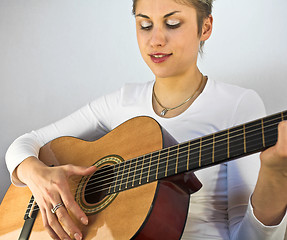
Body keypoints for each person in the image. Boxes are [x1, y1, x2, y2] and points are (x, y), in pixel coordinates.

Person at [5, 0, 287, 239]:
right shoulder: (122, 100)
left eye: (173, 24)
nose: (156, 40)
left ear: (205, 27)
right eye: (145, 25)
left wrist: (276, 174)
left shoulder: (239, 104)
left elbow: (248, 235)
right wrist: (36, 174)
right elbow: (25, 143)